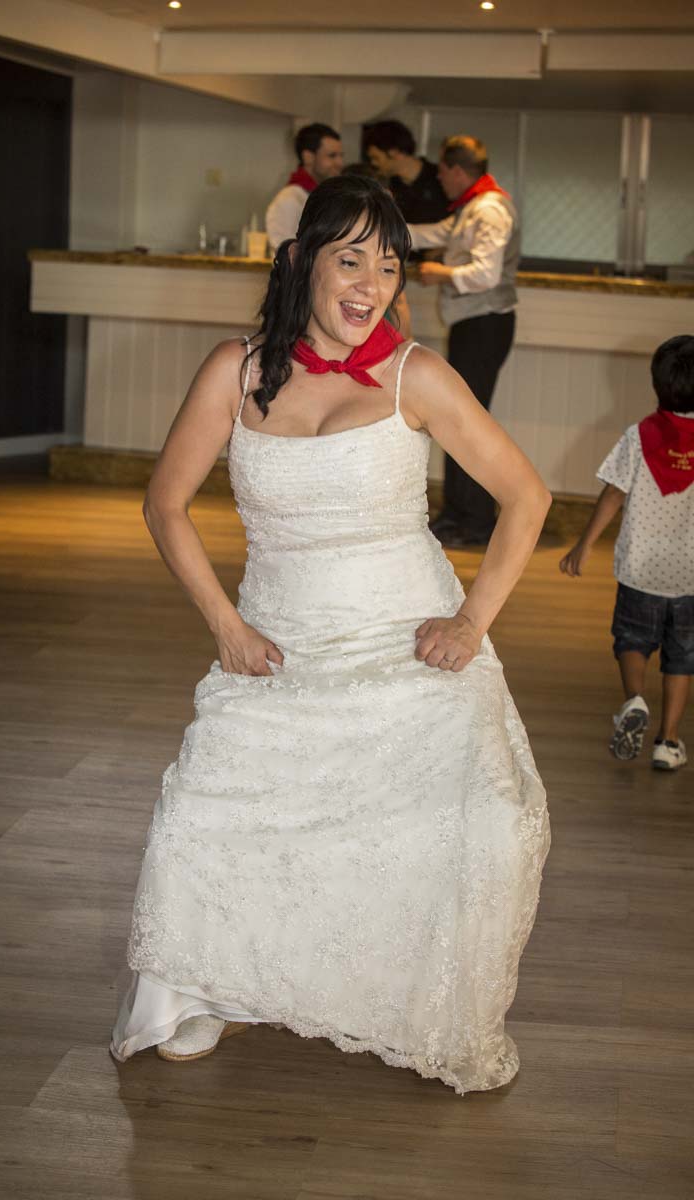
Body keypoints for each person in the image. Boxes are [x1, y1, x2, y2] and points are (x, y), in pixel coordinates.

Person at [111, 175, 550, 1095]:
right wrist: (226, 625)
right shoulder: (235, 369)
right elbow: (165, 504)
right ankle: (211, 982)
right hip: (280, 645)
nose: (372, 285)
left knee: (467, 822)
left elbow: (527, 497)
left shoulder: (417, 375)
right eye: (351, 260)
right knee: (203, 811)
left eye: (388, 267)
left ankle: (397, 994)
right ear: (302, 259)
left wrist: (471, 621)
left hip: (405, 645)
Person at [559, 335, 694, 771]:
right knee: (682, 658)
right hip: (691, 577)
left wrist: (584, 544)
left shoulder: (640, 437)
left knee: (632, 640)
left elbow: (614, 494)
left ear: (657, 384)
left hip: (641, 570)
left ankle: (635, 700)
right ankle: (668, 742)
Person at [409, 135, 519, 548]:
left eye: (441, 170)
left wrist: (441, 273)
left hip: (485, 325)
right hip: (474, 325)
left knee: (466, 423)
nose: (439, 178)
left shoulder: (489, 209)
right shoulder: (472, 207)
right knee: (459, 419)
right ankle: (458, 514)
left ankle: (475, 520)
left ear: (457, 170)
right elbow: (435, 232)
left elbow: (486, 275)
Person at [265, 122, 343, 252]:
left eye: (341, 156)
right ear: (308, 157)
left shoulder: (326, 196)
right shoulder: (289, 200)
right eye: (332, 156)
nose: (340, 163)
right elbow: (285, 255)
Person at [363, 119, 449, 226]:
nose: (373, 163)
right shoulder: (389, 189)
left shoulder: (441, 179)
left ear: (393, 151)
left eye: (376, 158)